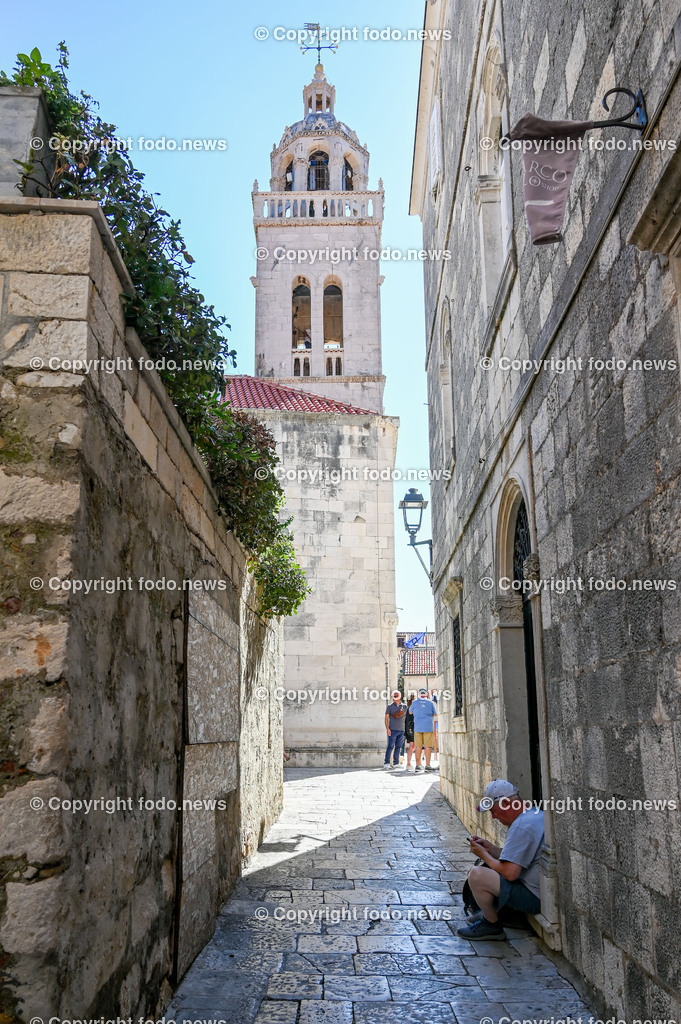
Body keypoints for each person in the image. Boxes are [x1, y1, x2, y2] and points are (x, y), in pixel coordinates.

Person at [457, 779, 544, 940]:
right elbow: (518, 858)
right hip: (535, 891)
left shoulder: (521, 826)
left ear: (505, 804)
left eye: (494, 811)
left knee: (477, 874)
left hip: (533, 898)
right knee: (487, 869)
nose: (494, 816)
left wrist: (484, 855)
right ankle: (486, 915)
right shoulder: (532, 815)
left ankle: (491, 924)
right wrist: (491, 849)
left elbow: (510, 873)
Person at [411, 688, 438, 773]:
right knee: (428, 747)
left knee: (418, 747)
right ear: (426, 694)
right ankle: (427, 765)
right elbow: (435, 713)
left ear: (419, 694)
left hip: (418, 727)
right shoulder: (430, 703)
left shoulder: (414, 703)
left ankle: (418, 765)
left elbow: (410, 712)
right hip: (428, 727)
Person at [383, 689, 406, 770]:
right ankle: (386, 762)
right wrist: (387, 729)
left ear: (400, 696)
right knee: (390, 746)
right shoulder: (389, 707)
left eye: (397, 694)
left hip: (402, 730)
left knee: (398, 747)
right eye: (394, 695)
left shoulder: (404, 706)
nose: (395, 696)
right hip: (392, 730)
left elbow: (406, 719)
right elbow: (386, 719)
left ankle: (396, 763)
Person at [404, 695, 415, 772]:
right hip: (412, 729)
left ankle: (409, 763)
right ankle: (408, 763)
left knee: (412, 746)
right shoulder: (412, 708)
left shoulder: (409, 707)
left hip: (409, 728)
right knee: (412, 746)